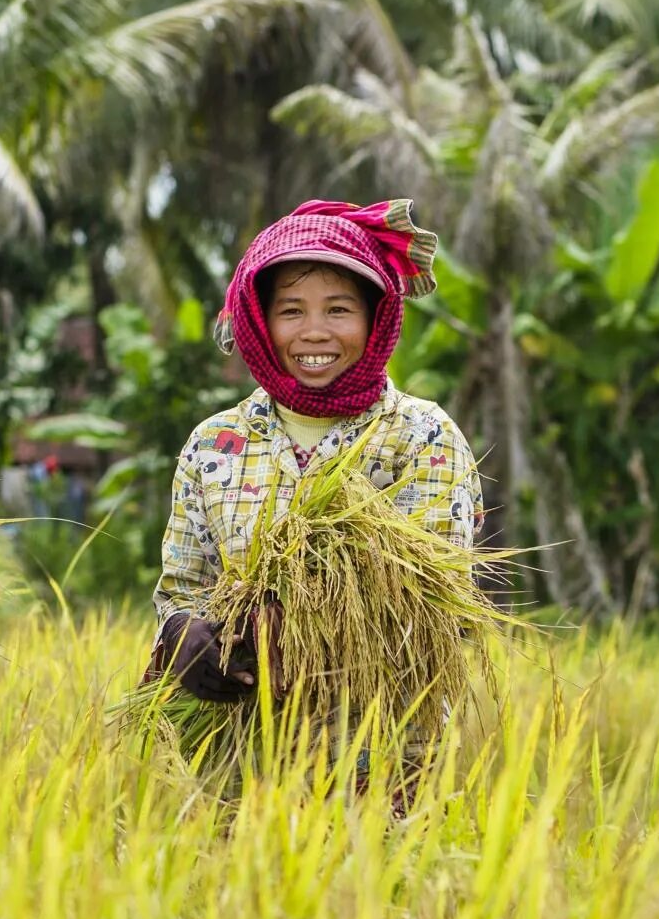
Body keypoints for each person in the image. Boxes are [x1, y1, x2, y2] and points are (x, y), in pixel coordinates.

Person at [150, 198, 481, 702]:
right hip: (236, 756)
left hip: (382, 751)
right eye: (291, 311)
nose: (314, 332)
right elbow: (182, 585)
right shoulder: (215, 444)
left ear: (376, 318)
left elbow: (440, 611)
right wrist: (181, 632)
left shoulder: (421, 436)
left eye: (339, 309)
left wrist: (293, 631)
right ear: (262, 323)